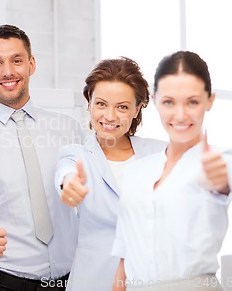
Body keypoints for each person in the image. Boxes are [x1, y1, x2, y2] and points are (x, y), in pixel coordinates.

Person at [0, 24, 86, 291]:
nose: (8, 71)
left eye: (17, 60)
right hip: (6, 285)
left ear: (31, 65)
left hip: (72, 283)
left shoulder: (69, 129)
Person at [111, 51, 232, 290]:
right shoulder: (135, 172)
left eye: (192, 102)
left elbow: (223, 180)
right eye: (169, 102)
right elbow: (124, 253)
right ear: (155, 101)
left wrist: (218, 178)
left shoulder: (223, 159)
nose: (181, 115)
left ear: (210, 100)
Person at [54, 57, 166, 291]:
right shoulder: (75, 155)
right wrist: (69, 184)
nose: (110, 116)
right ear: (89, 103)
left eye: (122, 107)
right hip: (94, 281)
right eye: (101, 104)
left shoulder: (160, 154)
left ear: (137, 109)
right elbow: (65, 174)